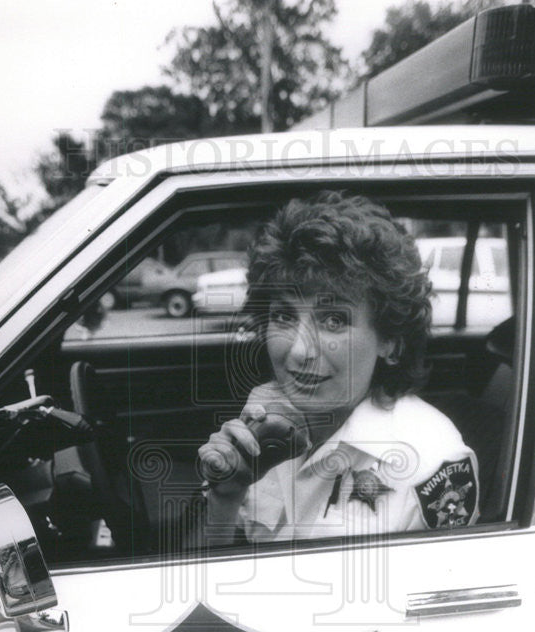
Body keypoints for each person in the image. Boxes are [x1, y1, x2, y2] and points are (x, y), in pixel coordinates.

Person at [196, 191, 479, 545]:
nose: (299, 351)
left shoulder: (432, 460)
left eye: (332, 320)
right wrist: (226, 495)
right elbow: (207, 581)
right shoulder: (265, 420)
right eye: (283, 316)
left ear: (391, 341)